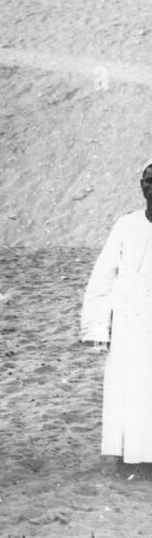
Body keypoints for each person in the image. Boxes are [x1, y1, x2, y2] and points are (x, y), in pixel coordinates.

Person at [80, 159, 152, 477]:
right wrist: (97, 325)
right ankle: (131, 455)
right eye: (148, 180)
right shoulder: (126, 226)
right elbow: (103, 277)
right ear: (140, 186)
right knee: (131, 386)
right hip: (130, 324)